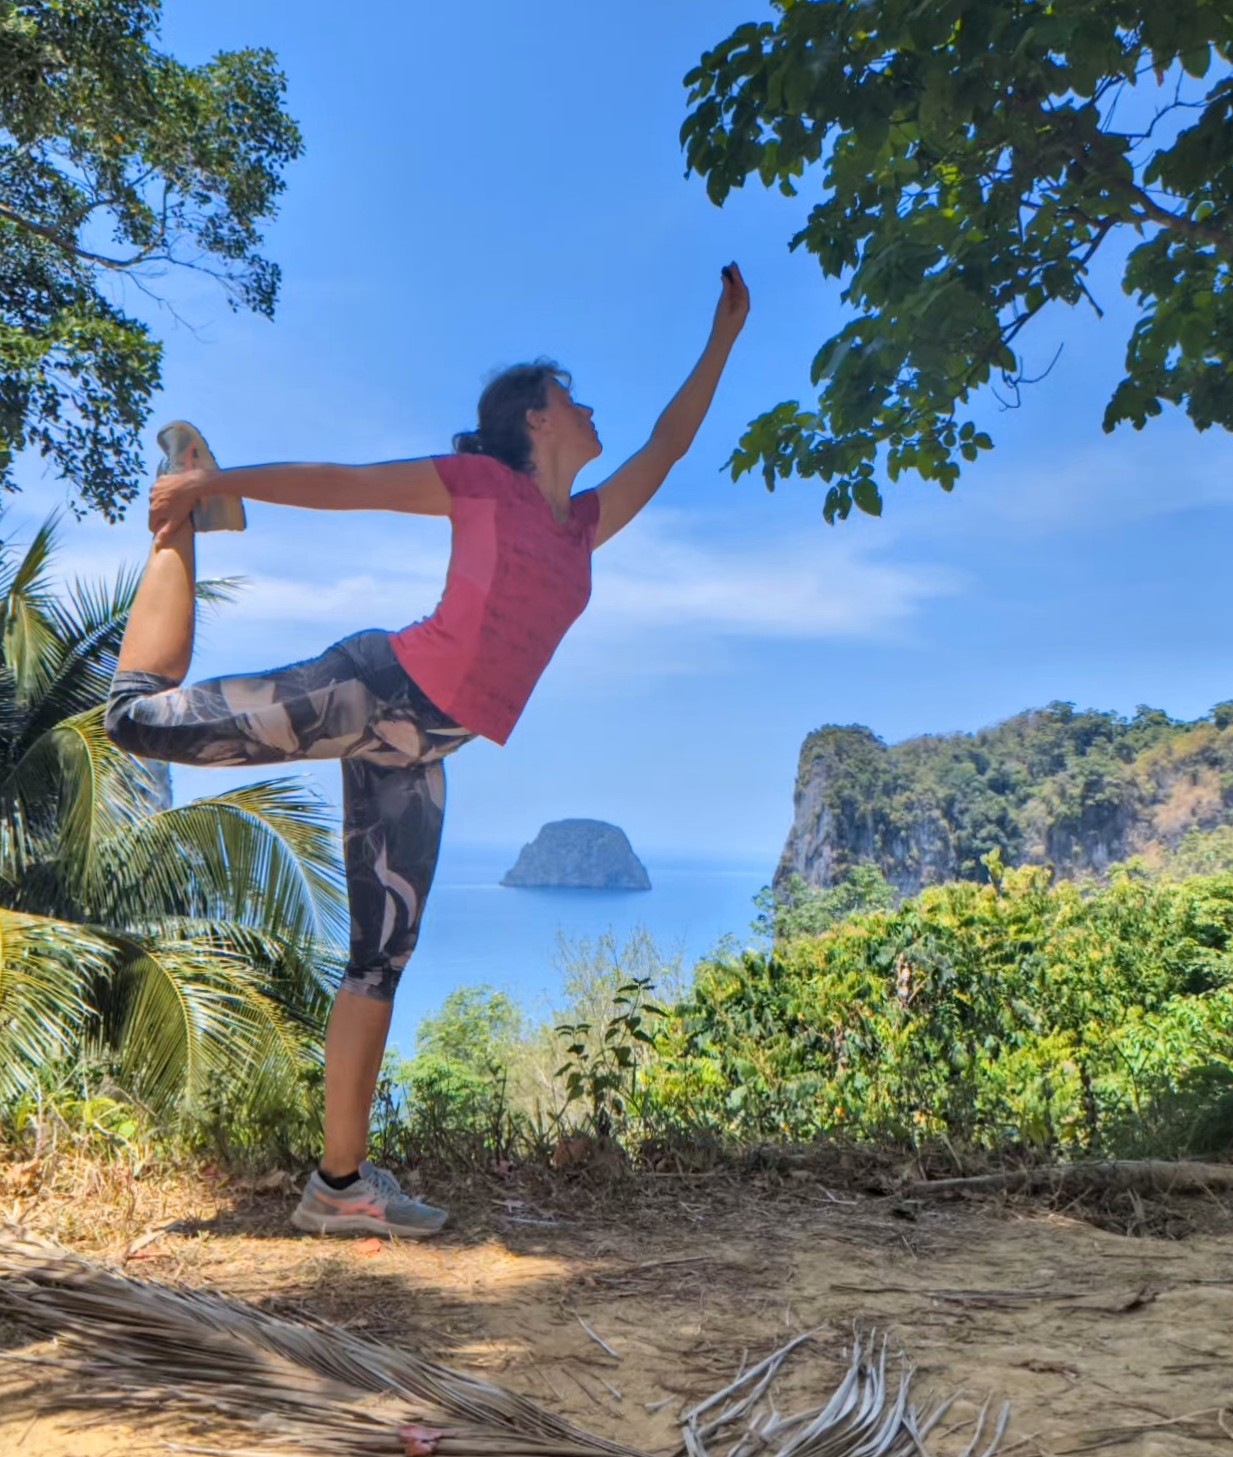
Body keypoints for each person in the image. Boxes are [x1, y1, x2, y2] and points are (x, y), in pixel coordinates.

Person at [105, 263, 752, 1238]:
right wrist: (214, 483)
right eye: (569, 393)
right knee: (136, 722)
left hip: (418, 747)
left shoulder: (580, 526)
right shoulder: (484, 486)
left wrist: (723, 339)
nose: (587, 404)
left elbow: (667, 443)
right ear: (535, 416)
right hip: (374, 689)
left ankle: (339, 1185)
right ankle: (176, 531)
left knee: (379, 961)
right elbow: (349, 486)